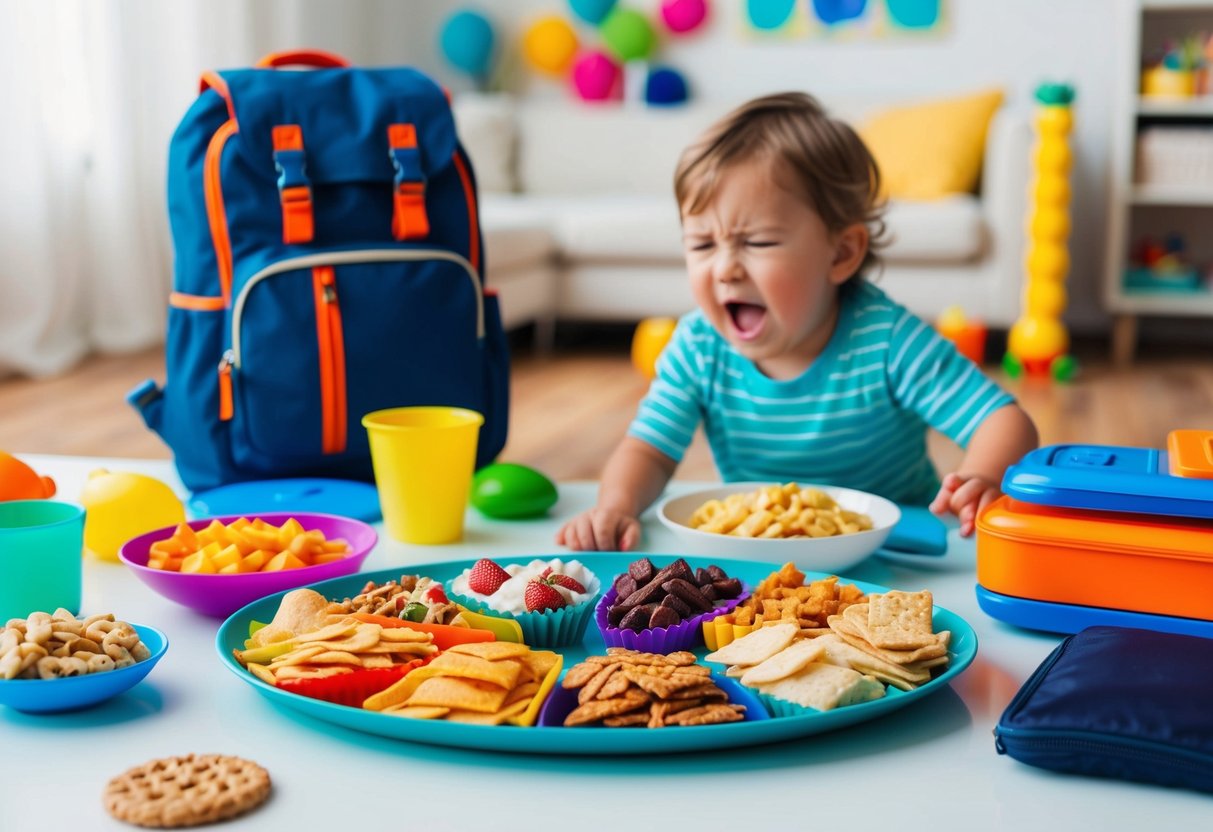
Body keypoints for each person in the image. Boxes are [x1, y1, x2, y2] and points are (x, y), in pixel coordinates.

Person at [556, 92, 1038, 552]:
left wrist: (982, 478)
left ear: (842, 253)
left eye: (758, 242)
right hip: (760, 554)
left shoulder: (885, 339)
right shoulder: (699, 347)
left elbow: (1002, 420)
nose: (724, 268)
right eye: (702, 244)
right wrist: (616, 506)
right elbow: (650, 449)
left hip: (899, 551)